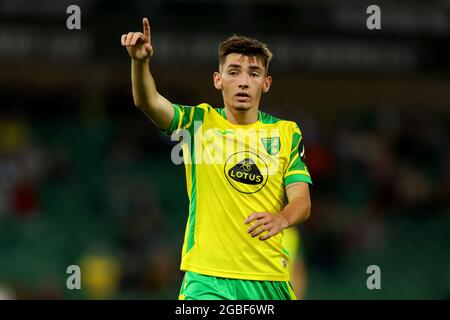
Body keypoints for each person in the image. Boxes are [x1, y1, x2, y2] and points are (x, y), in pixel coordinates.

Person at [121, 18, 312, 300]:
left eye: (254, 73)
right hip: (207, 279)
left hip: (268, 279)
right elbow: (147, 101)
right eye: (234, 72)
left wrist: (282, 218)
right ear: (218, 79)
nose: (244, 82)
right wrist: (140, 63)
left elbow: (302, 200)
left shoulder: (286, 133)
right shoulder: (198, 123)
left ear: (266, 83)